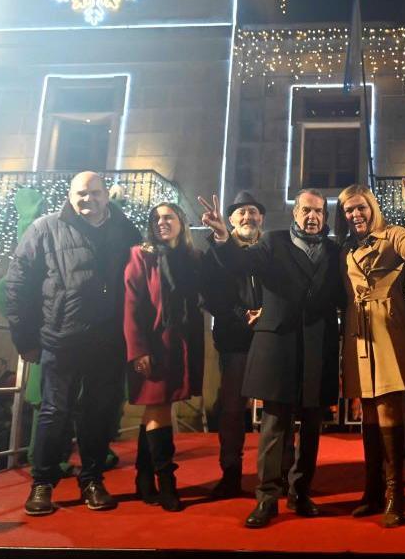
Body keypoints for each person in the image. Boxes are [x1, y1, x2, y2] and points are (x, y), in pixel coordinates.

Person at [201, 188, 344, 529]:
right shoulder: (273, 242)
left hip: (318, 345)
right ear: (295, 213)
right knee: (274, 425)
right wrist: (224, 238)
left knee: (312, 426)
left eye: (319, 212)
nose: (313, 217)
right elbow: (240, 262)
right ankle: (267, 498)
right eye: (307, 210)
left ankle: (301, 492)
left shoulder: (336, 250)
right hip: (278, 345)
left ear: (325, 216)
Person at [3, 171, 142, 516]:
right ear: (70, 195)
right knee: (53, 412)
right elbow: (18, 285)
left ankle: (92, 479)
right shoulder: (44, 228)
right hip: (60, 338)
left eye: (95, 193)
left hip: (108, 340)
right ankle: (42, 483)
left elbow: (142, 281)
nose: (88, 199)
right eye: (81, 193)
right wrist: (25, 339)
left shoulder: (125, 230)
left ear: (106, 195)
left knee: (99, 414)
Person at [338, 181, 405, 528]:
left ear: (372, 208)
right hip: (357, 332)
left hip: (388, 329)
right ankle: (372, 491)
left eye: (360, 207)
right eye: (349, 210)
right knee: (368, 411)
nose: (355, 214)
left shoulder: (392, 234)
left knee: (388, 406)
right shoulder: (346, 246)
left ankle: (396, 495)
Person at [122, 203, 206, 512]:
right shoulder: (141, 255)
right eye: (155, 218)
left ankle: (144, 479)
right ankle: (167, 482)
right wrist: (138, 349)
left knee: (155, 411)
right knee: (159, 408)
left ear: (182, 223)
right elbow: (131, 305)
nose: (161, 222)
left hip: (182, 344)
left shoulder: (193, 259)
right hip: (154, 345)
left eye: (168, 217)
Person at [203, 190, 266, 500]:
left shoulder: (270, 250)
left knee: (277, 410)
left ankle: (275, 473)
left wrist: (268, 313)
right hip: (235, 339)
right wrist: (243, 315)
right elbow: (212, 296)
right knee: (231, 409)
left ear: (261, 219)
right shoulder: (215, 252)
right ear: (230, 220)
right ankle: (230, 473)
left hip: (270, 339)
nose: (247, 217)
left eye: (252, 212)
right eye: (241, 212)